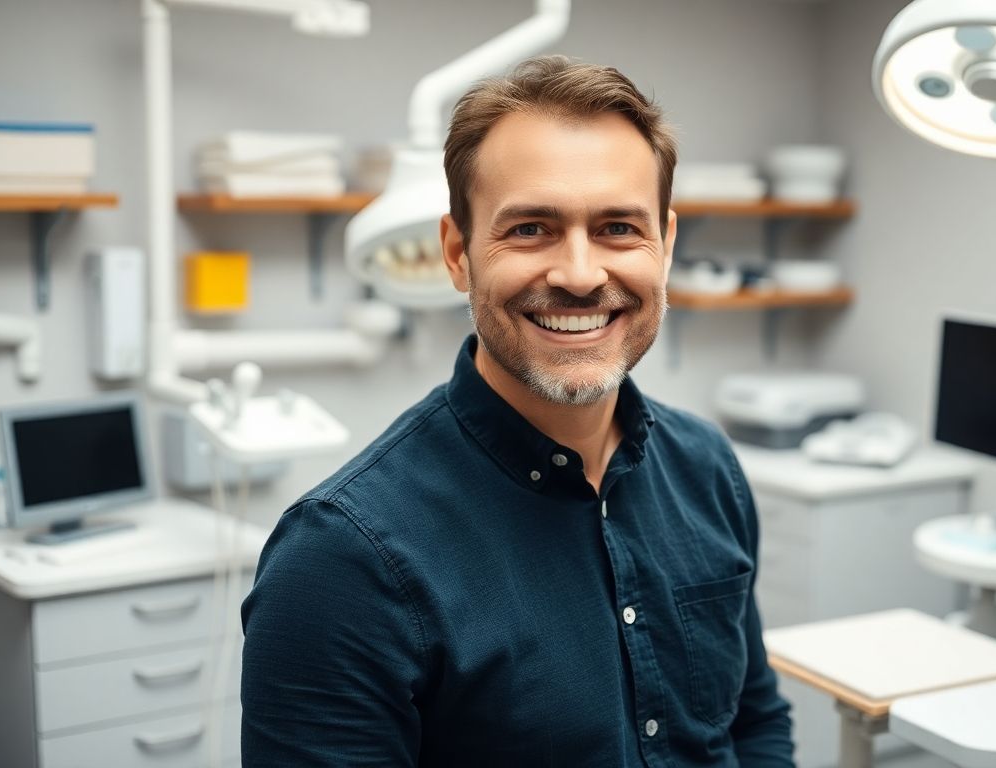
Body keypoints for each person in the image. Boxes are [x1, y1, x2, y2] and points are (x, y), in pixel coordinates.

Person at [241, 55, 794, 766]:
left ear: (666, 245)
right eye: (531, 228)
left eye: (619, 228)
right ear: (457, 253)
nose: (580, 274)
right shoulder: (341, 563)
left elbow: (753, 721)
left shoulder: (707, 469)